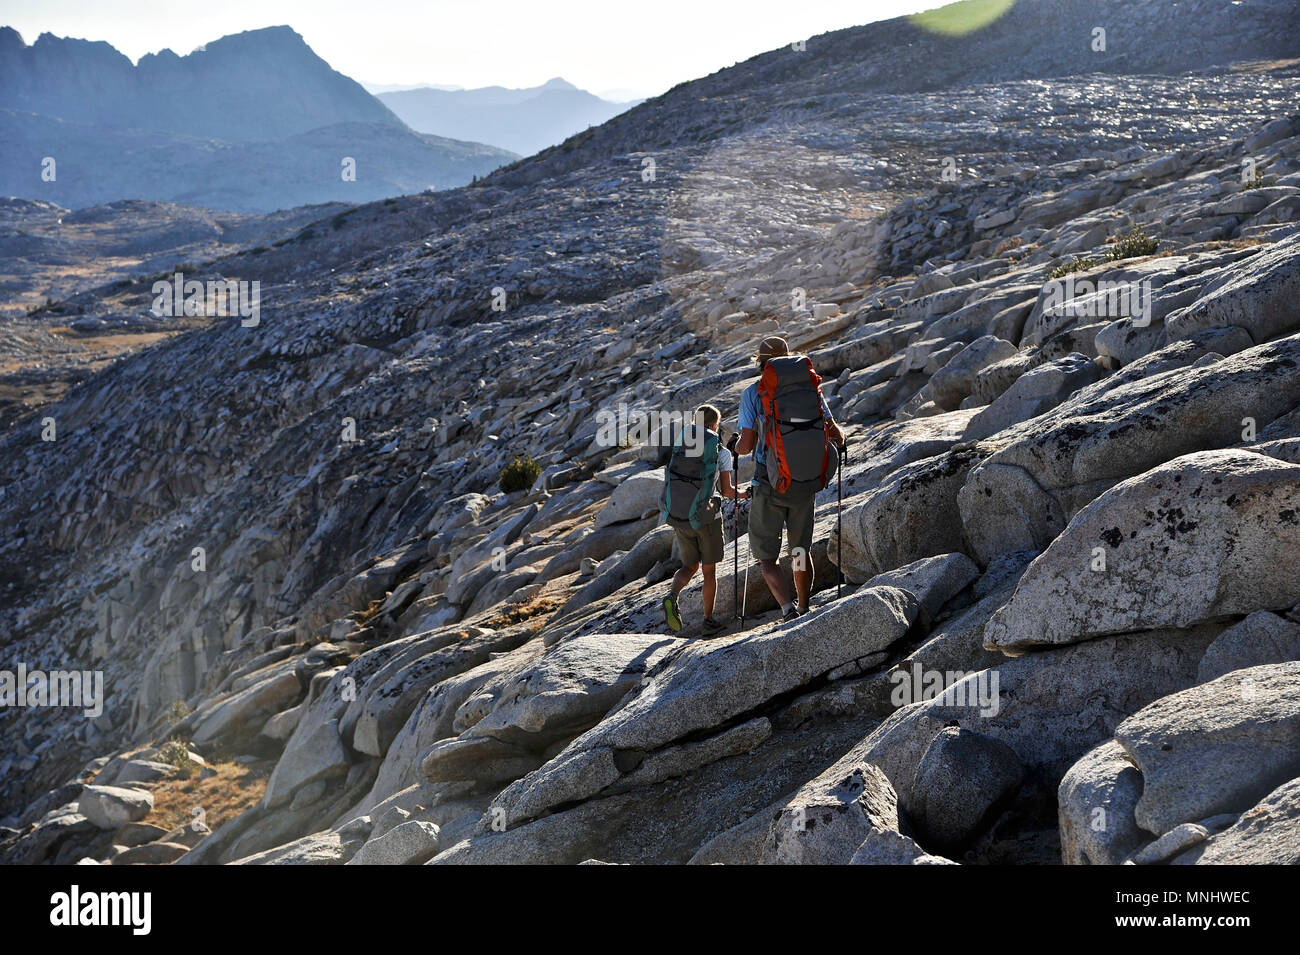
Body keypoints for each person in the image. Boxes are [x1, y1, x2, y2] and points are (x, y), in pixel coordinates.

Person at [732, 336, 844, 622]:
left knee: (767, 558)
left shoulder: (753, 393)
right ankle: (806, 607)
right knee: (798, 550)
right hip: (804, 483)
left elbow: (745, 446)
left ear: (759, 363)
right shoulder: (811, 390)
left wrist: (734, 446)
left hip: (769, 485)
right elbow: (836, 435)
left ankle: (787, 610)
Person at [662, 404, 735, 635]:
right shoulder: (720, 452)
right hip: (706, 518)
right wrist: (745, 494)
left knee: (689, 566)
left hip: (680, 515)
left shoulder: (681, 445)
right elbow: (726, 491)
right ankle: (708, 619)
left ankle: (672, 596)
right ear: (715, 425)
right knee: (708, 571)